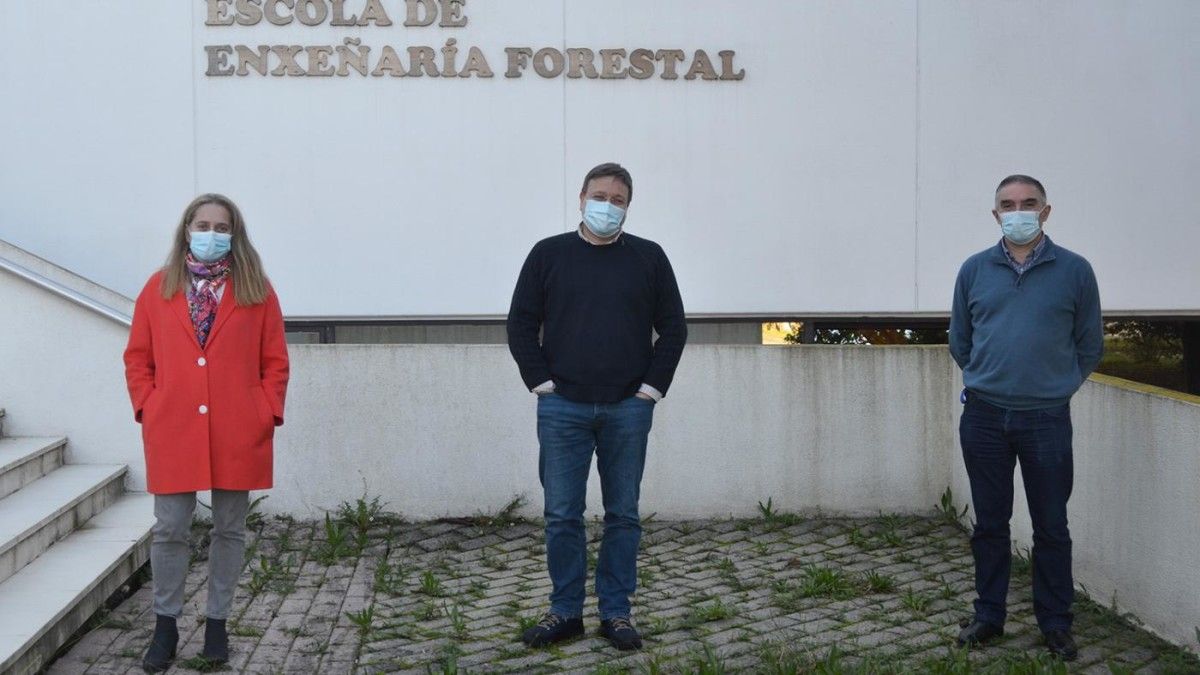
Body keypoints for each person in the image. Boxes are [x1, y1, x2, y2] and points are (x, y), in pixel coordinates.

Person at [506, 163, 687, 651]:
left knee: (623, 514)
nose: (608, 205)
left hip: (628, 408)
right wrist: (541, 382)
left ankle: (616, 612)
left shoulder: (649, 258)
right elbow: (521, 322)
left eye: (619, 199)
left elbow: (673, 327)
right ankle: (564, 612)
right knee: (562, 514)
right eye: (600, 195)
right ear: (581, 197)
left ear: (629, 206)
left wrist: (650, 390)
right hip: (562, 406)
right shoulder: (549, 255)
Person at [124, 193, 289, 672]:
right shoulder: (158, 289)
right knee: (170, 527)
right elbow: (138, 357)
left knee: (229, 529)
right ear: (186, 229)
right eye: (203, 224)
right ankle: (165, 626)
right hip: (172, 426)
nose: (211, 234)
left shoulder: (257, 290)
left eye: (221, 226)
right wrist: (148, 404)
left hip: (239, 427)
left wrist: (265, 410)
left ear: (234, 234)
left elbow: (275, 361)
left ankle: (217, 623)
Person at [949, 175, 1102, 661]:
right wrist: (986, 378)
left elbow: (1089, 343)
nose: (1019, 211)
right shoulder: (974, 270)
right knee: (990, 525)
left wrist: (1057, 387)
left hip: (1046, 420)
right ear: (996, 215)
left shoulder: (1075, 271)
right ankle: (988, 616)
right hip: (985, 418)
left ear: (1046, 211)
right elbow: (961, 339)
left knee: (1051, 526)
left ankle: (1056, 624)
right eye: (1008, 205)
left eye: (1028, 203)